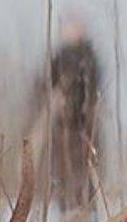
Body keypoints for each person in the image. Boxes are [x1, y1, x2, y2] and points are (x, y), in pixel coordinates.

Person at [43, 15, 102, 210]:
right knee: (62, 170)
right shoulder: (59, 57)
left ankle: (87, 207)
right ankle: (65, 207)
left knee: (86, 168)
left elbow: (95, 85)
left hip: (86, 124)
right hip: (63, 125)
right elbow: (47, 83)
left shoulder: (88, 56)